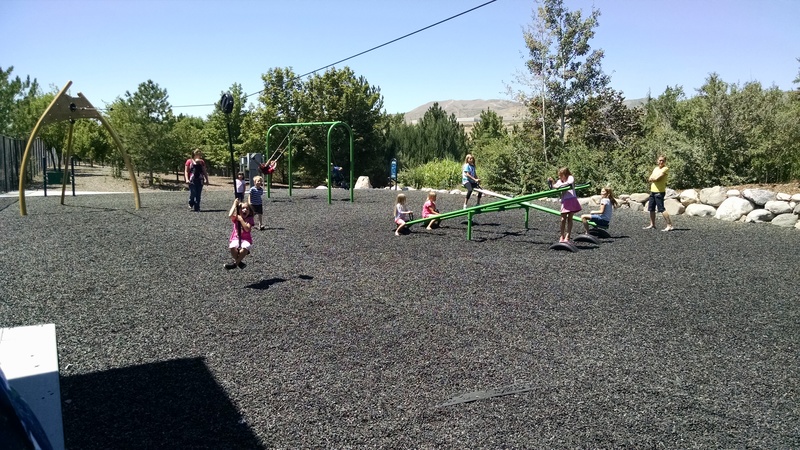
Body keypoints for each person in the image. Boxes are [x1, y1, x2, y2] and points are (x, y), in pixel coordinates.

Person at [548, 167, 582, 243]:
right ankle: (562, 235)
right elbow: (555, 186)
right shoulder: (560, 181)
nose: (559, 177)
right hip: (565, 201)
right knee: (563, 219)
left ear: (565, 174)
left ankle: (568, 236)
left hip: (572, 199)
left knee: (570, 218)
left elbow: (569, 182)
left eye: (561, 175)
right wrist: (552, 182)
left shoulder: (570, 178)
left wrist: (560, 185)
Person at [644, 155, 674, 231]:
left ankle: (669, 225)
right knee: (651, 208)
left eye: (663, 161)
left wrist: (654, 178)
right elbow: (650, 178)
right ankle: (652, 224)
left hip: (659, 192)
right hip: (652, 191)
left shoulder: (665, 169)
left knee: (661, 209)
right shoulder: (656, 169)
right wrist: (653, 178)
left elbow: (657, 178)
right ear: (657, 161)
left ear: (665, 162)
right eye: (660, 160)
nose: (661, 162)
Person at [225, 198, 254, 270]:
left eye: (247, 209)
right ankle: (239, 262)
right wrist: (234, 204)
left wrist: (241, 220)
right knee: (232, 247)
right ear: (239, 210)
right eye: (243, 208)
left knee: (245, 248)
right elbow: (230, 215)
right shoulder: (236, 217)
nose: (245, 210)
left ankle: (235, 264)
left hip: (246, 239)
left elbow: (247, 229)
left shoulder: (250, 219)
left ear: (249, 211)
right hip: (236, 238)